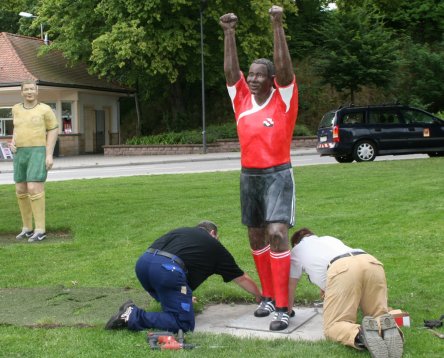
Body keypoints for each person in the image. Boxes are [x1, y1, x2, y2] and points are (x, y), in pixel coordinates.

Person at [220, 5, 298, 331]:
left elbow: (284, 67)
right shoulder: (240, 98)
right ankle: (266, 296)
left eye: (259, 75)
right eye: (250, 74)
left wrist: (277, 24)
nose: (252, 78)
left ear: (272, 80)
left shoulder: (284, 98)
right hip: (249, 177)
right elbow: (229, 72)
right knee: (256, 239)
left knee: (278, 234)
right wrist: (228, 34)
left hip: (278, 175)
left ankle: (283, 306)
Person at [105, 221, 261, 333]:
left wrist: (183, 296)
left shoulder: (180, 231)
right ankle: (132, 315)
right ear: (213, 233)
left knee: (172, 287)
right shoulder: (215, 247)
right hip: (166, 271)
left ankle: (141, 310)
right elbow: (241, 278)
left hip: (143, 264)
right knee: (183, 323)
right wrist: (259, 295)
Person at [289, 228, 404, 358]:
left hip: (342, 269)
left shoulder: (296, 251)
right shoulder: (328, 239)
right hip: (370, 262)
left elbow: (290, 286)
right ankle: (387, 329)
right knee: (378, 314)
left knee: (334, 325)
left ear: (296, 244)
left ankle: (360, 334)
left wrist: (285, 312)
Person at [10, 79, 58, 242]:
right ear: (22, 92)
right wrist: (13, 141)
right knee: (21, 189)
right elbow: (16, 128)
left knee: (34, 187)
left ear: (37, 92)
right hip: (20, 153)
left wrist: (49, 154)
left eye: (32, 89)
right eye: (26, 89)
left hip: (38, 151)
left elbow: (53, 129)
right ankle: (27, 228)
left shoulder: (45, 109)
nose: (29, 92)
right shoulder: (16, 109)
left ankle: (40, 229)